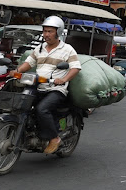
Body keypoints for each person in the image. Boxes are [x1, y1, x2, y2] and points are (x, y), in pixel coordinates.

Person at [11, 16, 81, 154]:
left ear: (58, 32)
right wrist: (16, 71)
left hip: (56, 89)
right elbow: (29, 63)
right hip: (38, 86)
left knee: (42, 109)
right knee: (21, 105)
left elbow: (75, 68)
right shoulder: (40, 48)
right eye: (44, 31)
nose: (46, 35)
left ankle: (54, 139)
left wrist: (64, 79)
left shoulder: (67, 49)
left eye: (50, 31)